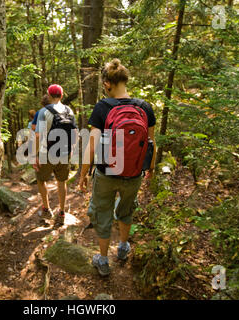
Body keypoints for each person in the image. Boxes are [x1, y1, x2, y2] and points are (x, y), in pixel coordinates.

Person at [78, 59, 156, 276]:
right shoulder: (144, 107)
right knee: (126, 208)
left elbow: (92, 144)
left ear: (107, 84)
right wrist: (150, 169)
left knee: (103, 212)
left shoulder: (103, 107)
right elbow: (151, 143)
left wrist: (83, 174)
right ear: (125, 81)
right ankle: (122, 248)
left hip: (106, 173)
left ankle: (103, 260)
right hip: (134, 173)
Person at [34, 84, 78, 226]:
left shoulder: (43, 112)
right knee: (62, 182)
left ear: (48, 95)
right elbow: (75, 133)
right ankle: (62, 212)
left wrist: (34, 155)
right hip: (64, 152)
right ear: (62, 95)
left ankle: (46, 208)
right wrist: (72, 148)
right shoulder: (69, 110)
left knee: (41, 180)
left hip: (47, 153)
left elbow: (37, 136)